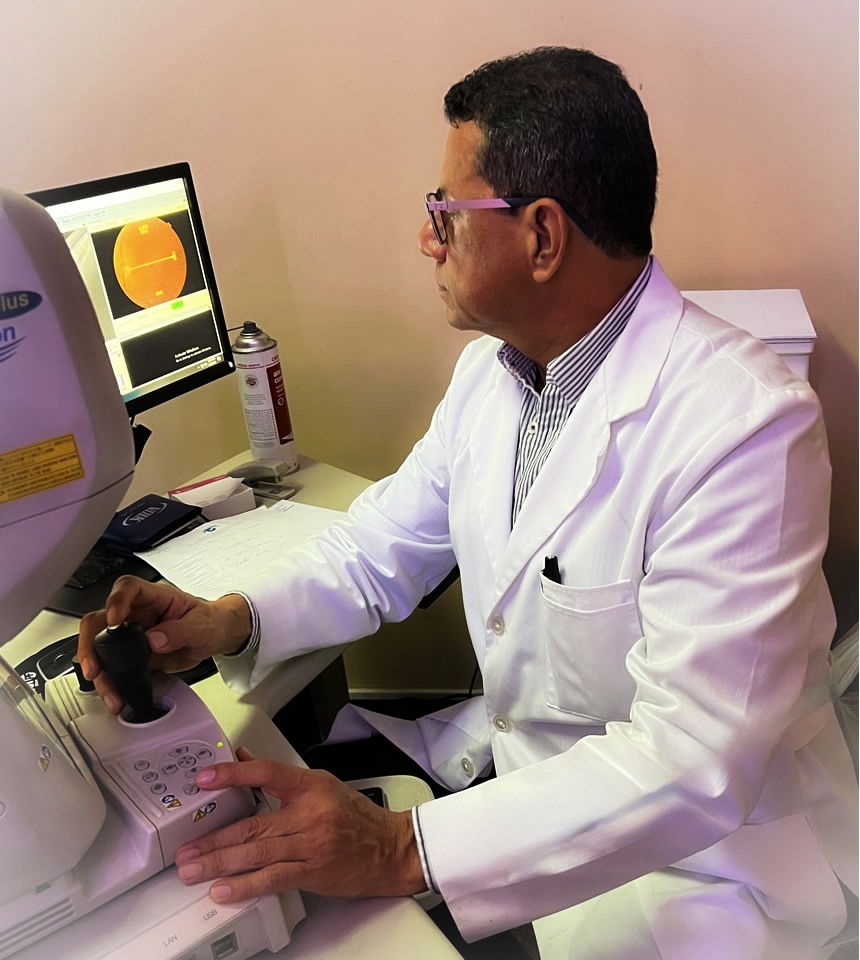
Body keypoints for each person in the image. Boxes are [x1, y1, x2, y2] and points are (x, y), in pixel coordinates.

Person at [78, 47, 857, 960]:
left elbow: (695, 761)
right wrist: (227, 619)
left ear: (541, 236)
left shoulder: (747, 428)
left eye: (444, 212)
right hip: (519, 791)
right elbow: (381, 547)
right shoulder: (495, 373)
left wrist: (397, 849)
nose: (427, 239)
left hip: (698, 870)